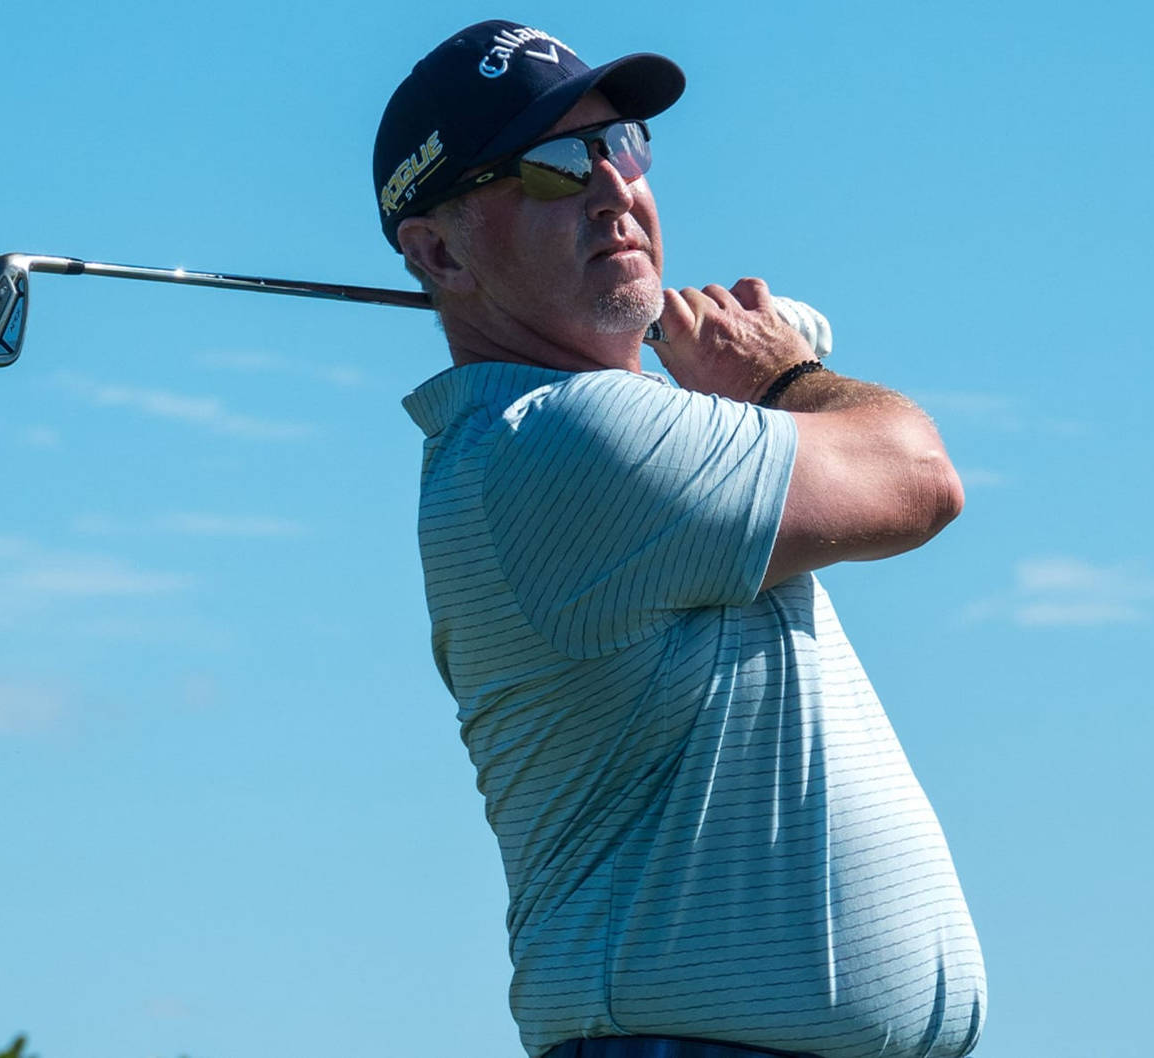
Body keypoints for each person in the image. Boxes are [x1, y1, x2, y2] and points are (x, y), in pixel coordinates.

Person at [374, 21, 986, 1058]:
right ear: (437, 250)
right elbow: (917, 478)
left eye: (624, 144)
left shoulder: (595, 437)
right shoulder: (562, 444)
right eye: (554, 167)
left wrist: (736, 357)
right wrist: (779, 374)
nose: (612, 186)